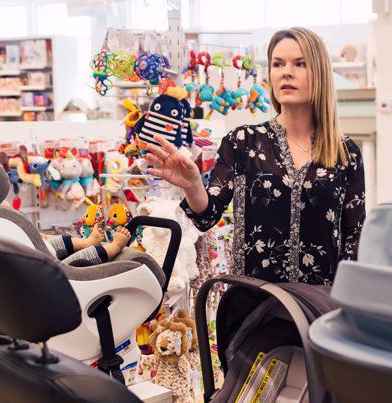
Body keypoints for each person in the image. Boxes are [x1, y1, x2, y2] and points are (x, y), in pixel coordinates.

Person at [146, 27, 366, 285]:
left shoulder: (345, 153)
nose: (286, 72)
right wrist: (193, 185)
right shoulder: (242, 142)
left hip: (318, 309)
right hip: (255, 304)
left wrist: (345, 305)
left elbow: (355, 238)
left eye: (300, 64)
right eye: (278, 64)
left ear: (319, 73)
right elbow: (206, 217)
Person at [47, 225, 132, 266]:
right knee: (70, 265)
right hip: (48, 276)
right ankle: (115, 246)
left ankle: (87, 242)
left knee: (49, 244)